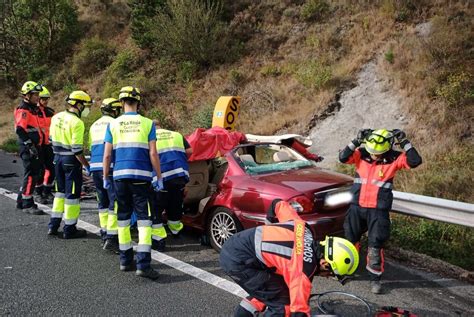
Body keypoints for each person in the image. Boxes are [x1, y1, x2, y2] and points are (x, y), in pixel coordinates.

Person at [220, 199, 359, 317]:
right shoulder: (303, 270)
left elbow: (277, 204)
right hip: (238, 262)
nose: (327, 277)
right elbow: (298, 311)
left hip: (237, 243)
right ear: (325, 263)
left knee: (272, 290)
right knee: (283, 305)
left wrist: (270, 227)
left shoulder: (303, 227)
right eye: (330, 274)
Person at [339, 128, 422, 294]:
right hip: (357, 206)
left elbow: (415, 161)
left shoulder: (395, 158)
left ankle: (375, 280)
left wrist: (405, 142)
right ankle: (347, 270)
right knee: (350, 241)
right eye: (372, 152)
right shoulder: (361, 154)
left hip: (378, 210)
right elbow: (343, 157)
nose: (374, 156)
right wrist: (356, 140)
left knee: (375, 245)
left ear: (386, 149)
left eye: (377, 153)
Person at [103, 86, 162, 279]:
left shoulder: (112, 124)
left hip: (119, 177)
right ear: (138, 102)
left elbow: (107, 155)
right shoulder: (147, 123)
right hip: (141, 178)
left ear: (121, 103)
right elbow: (153, 153)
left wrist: (105, 177)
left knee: (123, 218)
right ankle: (143, 264)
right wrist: (159, 177)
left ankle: (125, 260)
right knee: (144, 219)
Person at [48, 90, 92, 239]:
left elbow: (50, 139)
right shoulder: (77, 123)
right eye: (86, 106)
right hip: (71, 163)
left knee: (59, 193)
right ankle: (70, 228)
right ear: (78, 105)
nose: (88, 109)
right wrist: (86, 165)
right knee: (72, 195)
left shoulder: (56, 117)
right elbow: (77, 150)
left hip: (57, 159)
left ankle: (53, 225)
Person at [150, 124, 193, 251]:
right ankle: (175, 231)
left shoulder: (150, 136)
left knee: (156, 207)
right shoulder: (177, 135)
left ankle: (159, 240)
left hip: (160, 177)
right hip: (178, 175)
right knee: (175, 204)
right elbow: (190, 151)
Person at [89, 98, 122, 251]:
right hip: (109, 167)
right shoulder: (115, 124)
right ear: (115, 110)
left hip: (95, 167)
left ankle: (104, 233)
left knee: (102, 202)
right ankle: (112, 237)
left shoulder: (94, 125)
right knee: (113, 202)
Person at [14, 81, 45, 214]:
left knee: (33, 172)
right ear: (27, 95)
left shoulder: (33, 108)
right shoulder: (24, 109)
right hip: (29, 147)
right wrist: (30, 145)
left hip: (34, 146)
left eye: (38, 94)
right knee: (32, 174)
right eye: (35, 94)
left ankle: (22, 200)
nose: (37, 97)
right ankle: (27, 203)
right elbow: (20, 129)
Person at [34, 86, 55, 204]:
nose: (45, 101)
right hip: (38, 145)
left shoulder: (50, 112)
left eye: (47, 98)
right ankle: (38, 192)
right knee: (39, 170)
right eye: (43, 98)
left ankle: (47, 191)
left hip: (48, 144)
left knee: (51, 169)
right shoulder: (33, 112)